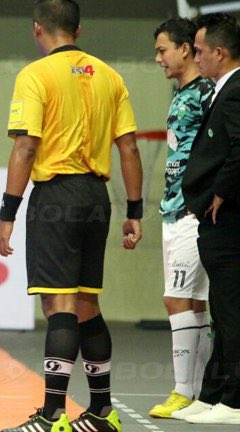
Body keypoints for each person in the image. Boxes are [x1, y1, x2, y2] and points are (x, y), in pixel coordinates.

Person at [0, 1, 143, 431]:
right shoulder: (109, 76)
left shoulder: (35, 75)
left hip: (57, 194)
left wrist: (7, 213)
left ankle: (52, 414)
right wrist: (134, 211)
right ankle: (102, 411)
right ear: (78, 30)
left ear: (38, 29)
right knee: (86, 304)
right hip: (98, 196)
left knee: (59, 304)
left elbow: (25, 147)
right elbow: (129, 148)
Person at [147, 18, 214, 419]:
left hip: (192, 210)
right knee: (195, 304)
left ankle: (182, 390)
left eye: (162, 49)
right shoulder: (182, 92)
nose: (158, 58)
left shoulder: (207, 94)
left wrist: (198, 199)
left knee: (176, 300)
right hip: (174, 209)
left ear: (186, 49)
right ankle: (198, 393)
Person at [179, 12, 240, 425]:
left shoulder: (235, 91)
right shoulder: (224, 90)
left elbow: (239, 147)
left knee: (232, 312)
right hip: (217, 218)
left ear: (220, 52)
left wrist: (220, 192)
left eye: (200, 51)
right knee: (222, 309)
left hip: (230, 218)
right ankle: (213, 392)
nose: (196, 58)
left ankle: (234, 401)